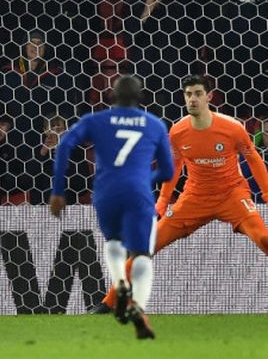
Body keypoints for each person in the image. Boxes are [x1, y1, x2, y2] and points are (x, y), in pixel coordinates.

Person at [93, 75, 268, 325]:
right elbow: (173, 166)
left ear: (209, 97)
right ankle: (109, 302)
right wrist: (163, 201)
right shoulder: (178, 131)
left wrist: (266, 192)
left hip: (232, 195)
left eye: (198, 93)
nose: (192, 99)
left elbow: (253, 159)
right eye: (188, 94)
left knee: (263, 238)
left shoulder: (232, 127)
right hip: (194, 198)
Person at [49, 75, 174, 339]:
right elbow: (168, 171)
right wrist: (143, 179)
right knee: (142, 255)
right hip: (138, 194)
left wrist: (58, 191)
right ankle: (138, 306)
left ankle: (118, 282)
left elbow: (64, 146)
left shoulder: (96, 121)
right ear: (141, 98)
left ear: (112, 96)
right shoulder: (154, 125)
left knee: (114, 242)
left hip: (106, 192)